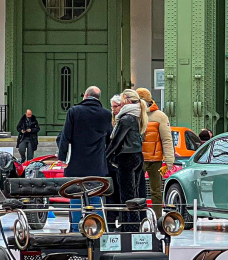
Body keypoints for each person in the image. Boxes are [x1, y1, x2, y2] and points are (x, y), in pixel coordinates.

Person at [57, 86, 112, 231]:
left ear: (85, 96)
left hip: (76, 163)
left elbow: (65, 136)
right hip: (97, 164)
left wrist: (62, 158)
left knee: (75, 196)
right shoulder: (106, 114)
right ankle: (97, 228)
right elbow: (109, 138)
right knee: (96, 196)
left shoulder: (74, 112)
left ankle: (76, 228)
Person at [105, 89, 148, 231]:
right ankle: (133, 225)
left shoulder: (126, 119)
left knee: (126, 195)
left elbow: (116, 140)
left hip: (126, 157)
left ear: (128, 101)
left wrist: (106, 155)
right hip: (137, 156)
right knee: (134, 192)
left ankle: (129, 226)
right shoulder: (137, 115)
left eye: (122, 100)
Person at [136, 88, 175, 218]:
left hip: (152, 160)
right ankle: (141, 216)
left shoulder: (159, 116)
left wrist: (169, 160)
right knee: (150, 190)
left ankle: (158, 217)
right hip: (144, 159)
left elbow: (166, 138)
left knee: (156, 191)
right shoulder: (156, 115)